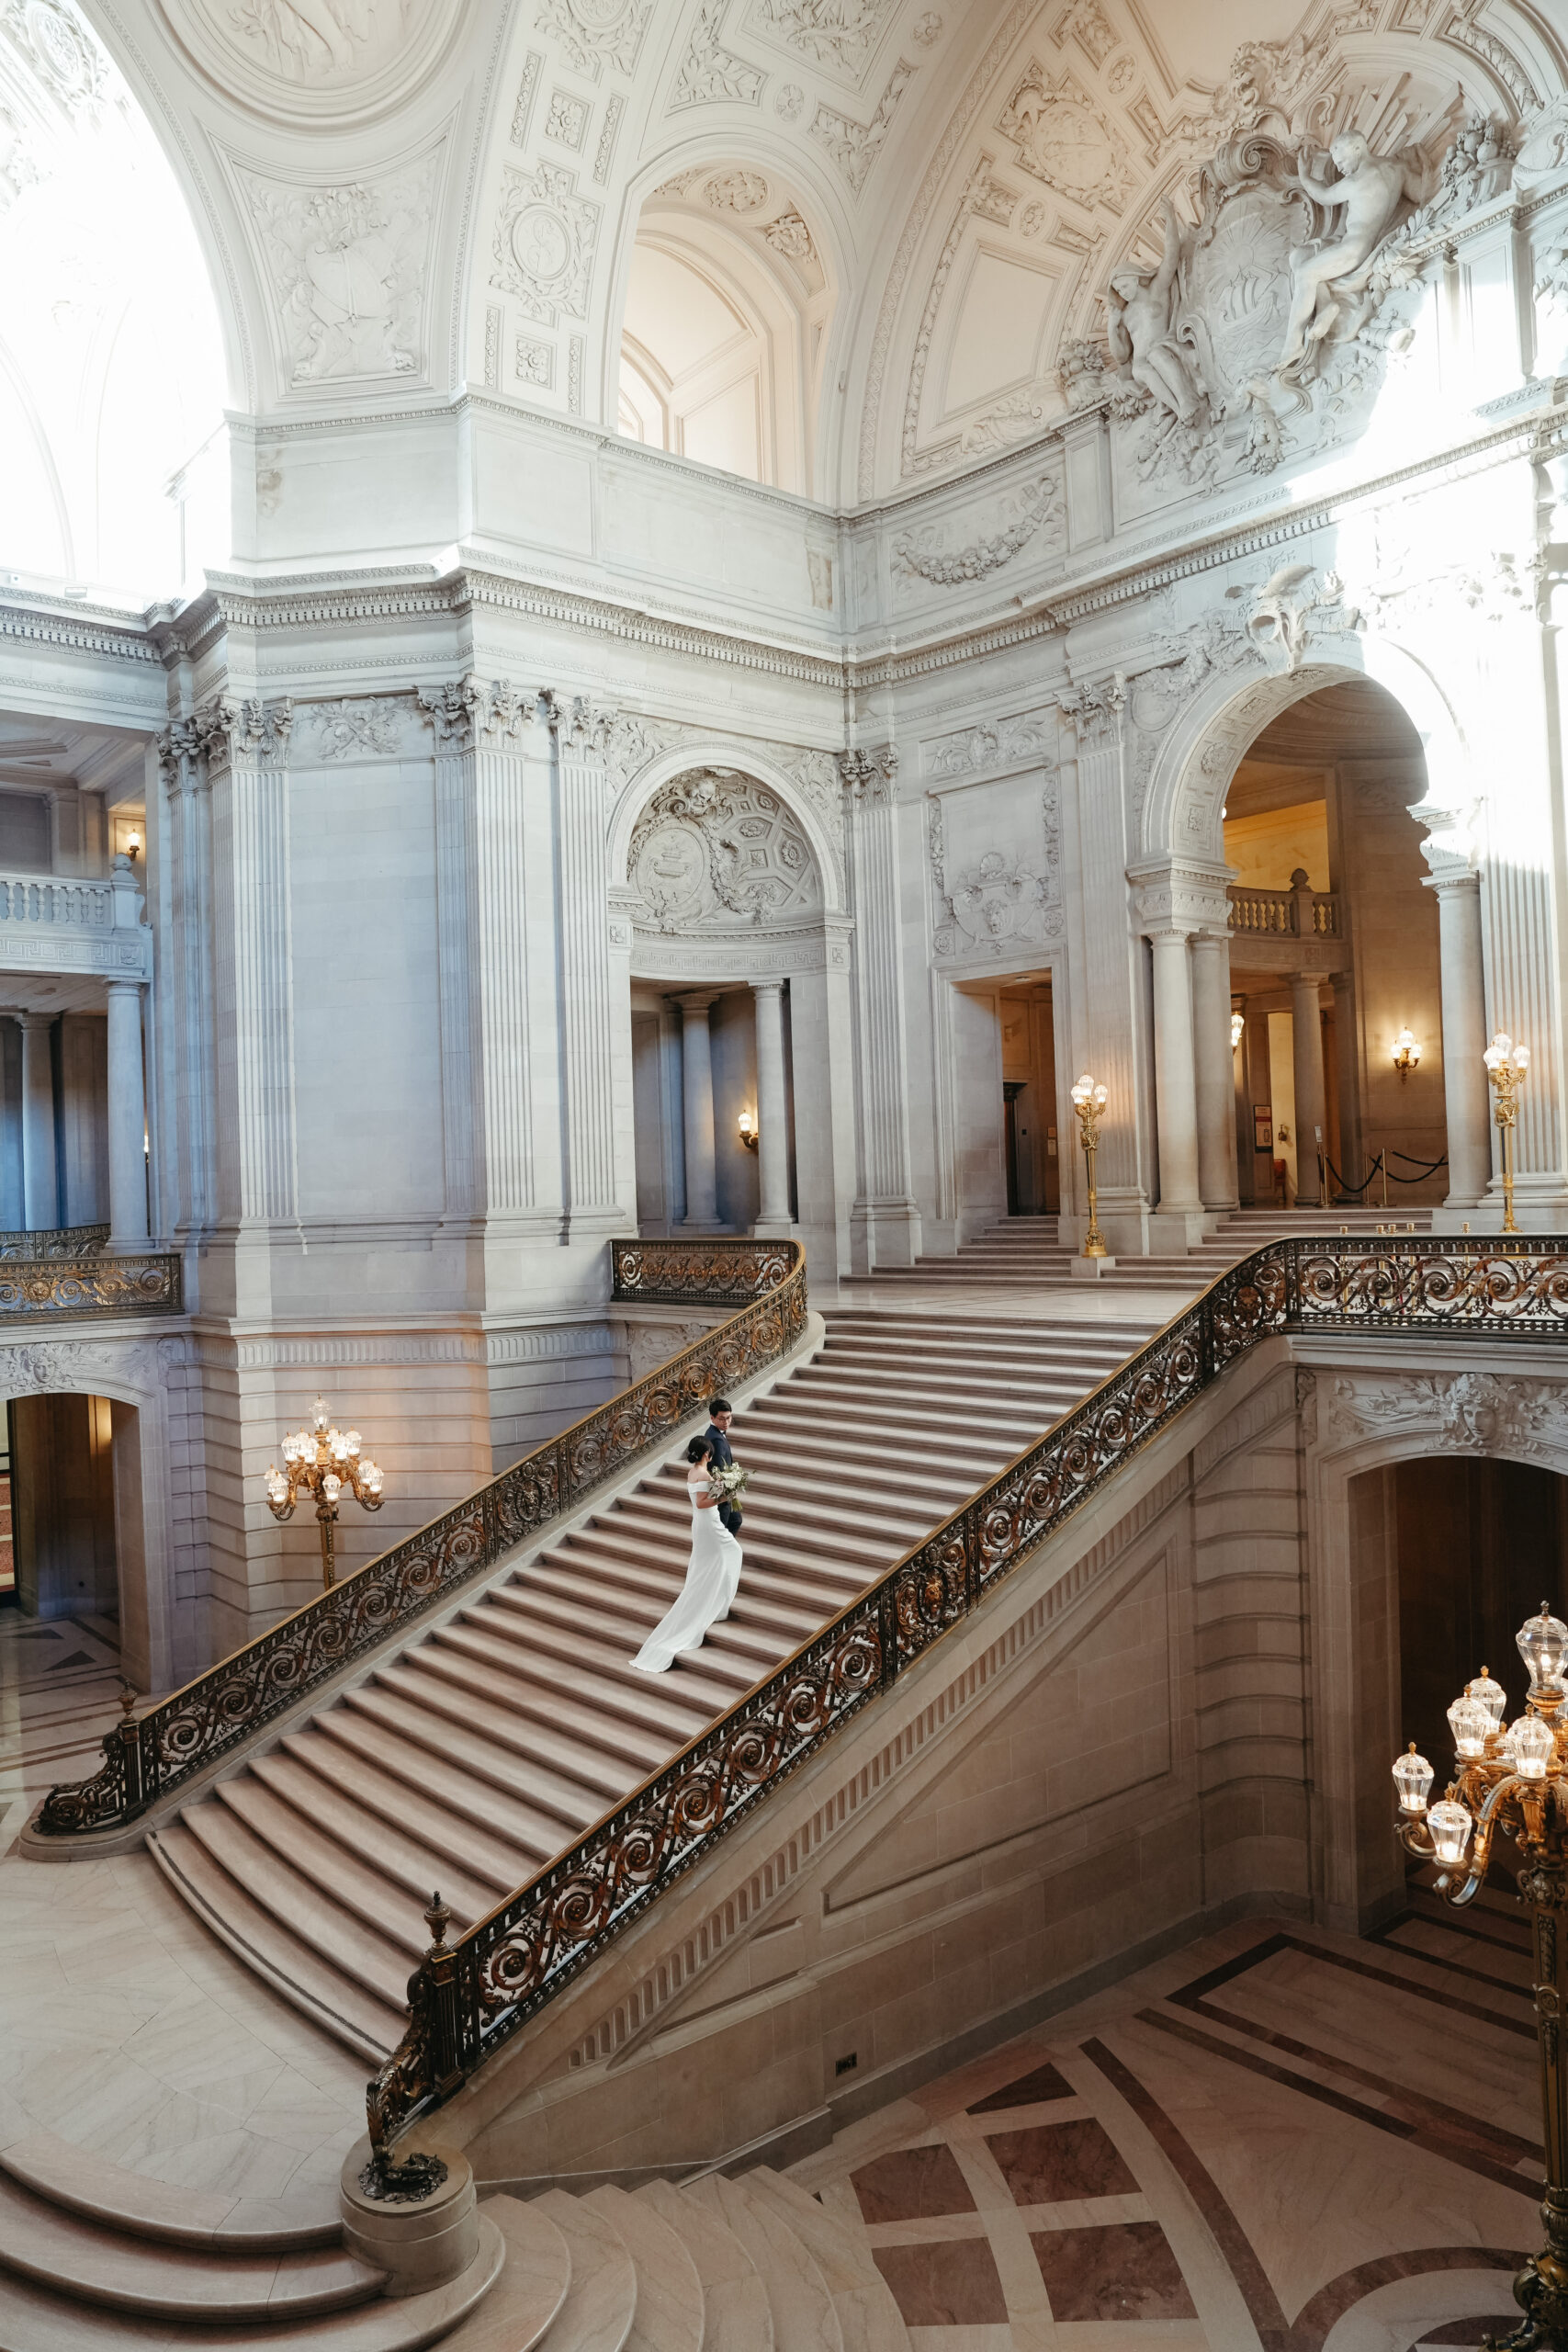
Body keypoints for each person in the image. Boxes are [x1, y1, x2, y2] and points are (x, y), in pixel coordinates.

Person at [629, 1435, 743, 1674]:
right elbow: (703, 1503)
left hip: (700, 1524)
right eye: (710, 1453)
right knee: (734, 1551)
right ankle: (718, 1603)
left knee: (711, 1560)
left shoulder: (692, 1472)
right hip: (709, 1523)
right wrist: (726, 1495)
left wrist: (722, 1489)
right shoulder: (703, 1474)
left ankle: (717, 1599)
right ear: (706, 1454)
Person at [704, 1396, 743, 1536]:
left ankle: (726, 1551)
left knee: (735, 1521)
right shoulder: (716, 1439)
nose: (726, 1422)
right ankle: (721, 1553)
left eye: (729, 1418)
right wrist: (729, 1488)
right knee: (722, 1528)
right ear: (712, 1418)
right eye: (722, 1419)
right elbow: (720, 1470)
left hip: (723, 1490)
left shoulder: (715, 1433)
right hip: (722, 1492)